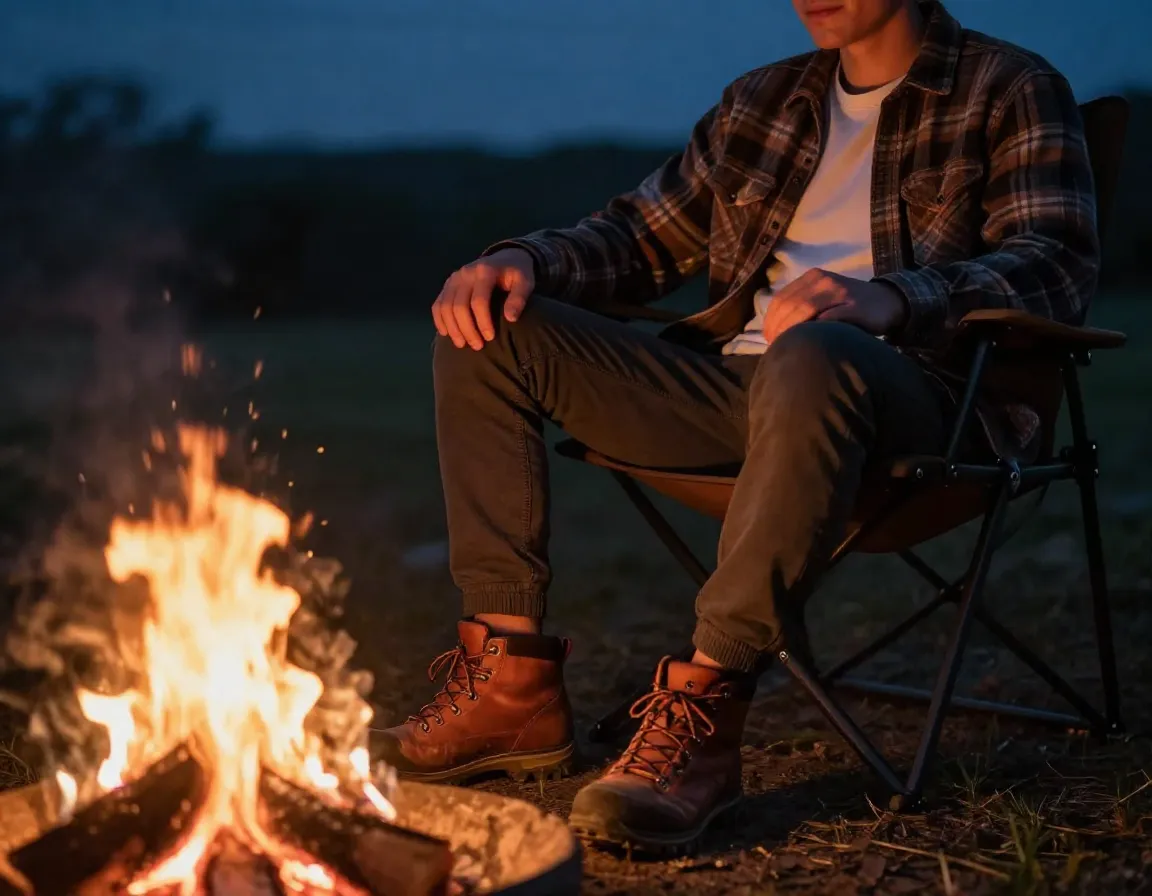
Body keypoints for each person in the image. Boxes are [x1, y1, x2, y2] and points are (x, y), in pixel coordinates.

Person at [374, 0, 1099, 852]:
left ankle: (705, 717)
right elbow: (640, 236)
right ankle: (511, 684)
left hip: (918, 398)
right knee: (489, 328)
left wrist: (891, 298)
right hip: (737, 390)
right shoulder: (764, 101)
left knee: (816, 352)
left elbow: (1054, 263)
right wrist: (524, 258)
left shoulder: (1009, 88)